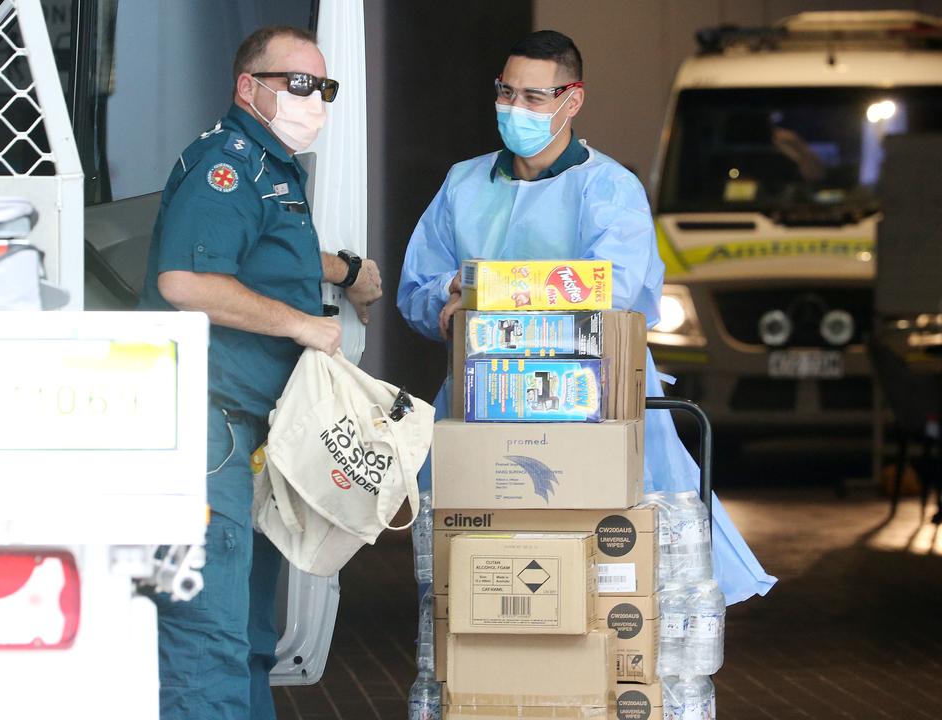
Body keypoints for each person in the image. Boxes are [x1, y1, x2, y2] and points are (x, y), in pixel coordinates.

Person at [397, 30, 776, 605]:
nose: (514, 109)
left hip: (590, 409)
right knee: (476, 586)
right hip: (480, 408)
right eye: (505, 93)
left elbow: (608, 290)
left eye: (533, 97)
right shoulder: (463, 183)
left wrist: (474, 286)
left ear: (572, 100)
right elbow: (417, 291)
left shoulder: (609, 190)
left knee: (612, 584)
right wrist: (449, 295)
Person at [137, 25, 383, 720]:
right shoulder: (230, 164)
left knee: (248, 632)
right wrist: (304, 325)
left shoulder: (274, 171)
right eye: (296, 83)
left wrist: (346, 272)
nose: (314, 99)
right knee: (206, 634)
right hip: (208, 428)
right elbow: (187, 280)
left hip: (250, 436)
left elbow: (270, 255)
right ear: (249, 87)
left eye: (323, 87)